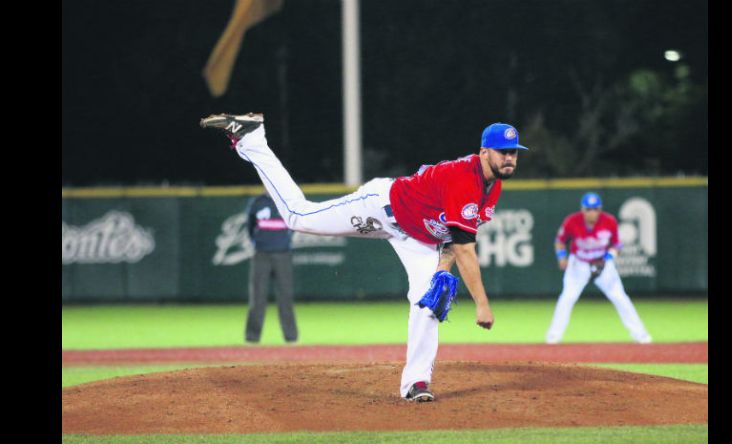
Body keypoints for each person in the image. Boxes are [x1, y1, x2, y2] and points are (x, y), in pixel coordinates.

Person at [200, 112, 527, 402]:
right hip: (382, 209)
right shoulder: (462, 178)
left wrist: (442, 271)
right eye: (503, 152)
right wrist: (481, 303)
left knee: (428, 299)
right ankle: (253, 139)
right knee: (299, 218)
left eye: (513, 152)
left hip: (418, 238)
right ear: (484, 152)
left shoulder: (491, 186)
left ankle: (416, 382)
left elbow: (453, 239)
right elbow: (466, 248)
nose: (509, 158)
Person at [545, 192, 653, 344]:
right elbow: (560, 241)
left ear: (600, 209)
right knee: (567, 298)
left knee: (620, 298)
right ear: (582, 210)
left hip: (603, 264)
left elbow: (617, 245)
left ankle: (641, 336)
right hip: (579, 264)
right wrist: (561, 257)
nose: (592, 212)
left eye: (595, 209)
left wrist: (608, 258)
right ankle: (553, 337)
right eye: (588, 209)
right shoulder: (572, 221)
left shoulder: (609, 221)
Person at [244, 193, 298, 344]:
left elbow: (294, 223)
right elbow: (249, 225)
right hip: (261, 254)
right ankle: (252, 337)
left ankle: (291, 337)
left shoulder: (286, 200)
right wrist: (258, 242)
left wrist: (285, 241)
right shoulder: (257, 201)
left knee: (285, 296)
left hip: (283, 253)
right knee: (257, 296)